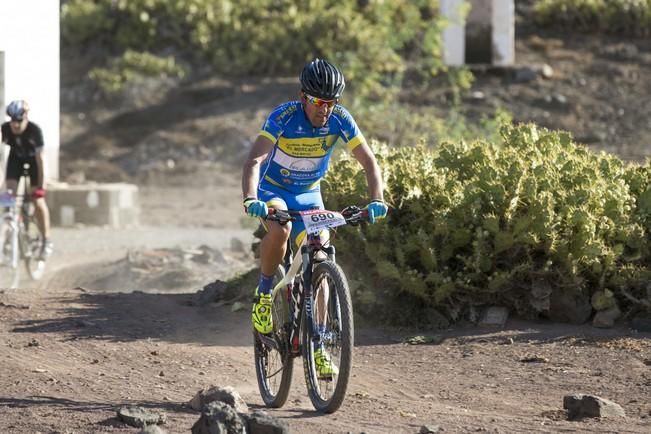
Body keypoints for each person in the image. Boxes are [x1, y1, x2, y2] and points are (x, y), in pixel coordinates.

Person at [241, 58, 388, 378]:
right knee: (281, 229)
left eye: (332, 102)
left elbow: (370, 163)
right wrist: (251, 199)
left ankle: (318, 344)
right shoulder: (284, 116)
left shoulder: (341, 120)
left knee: (319, 252)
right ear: (303, 96)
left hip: (309, 193)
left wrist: (377, 200)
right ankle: (264, 295)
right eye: (319, 101)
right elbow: (254, 160)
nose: (325, 109)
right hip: (274, 189)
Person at [1, 100, 53, 259]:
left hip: (34, 162)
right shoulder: (5, 129)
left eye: (19, 121)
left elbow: (41, 160)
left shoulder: (34, 130)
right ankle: (10, 230)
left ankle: (46, 240)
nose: (15, 125)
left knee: (38, 201)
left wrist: (41, 186)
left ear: (25, 118)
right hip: (16, 159)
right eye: (12, 120)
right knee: (7, 196)